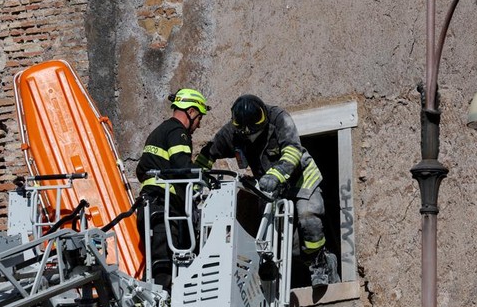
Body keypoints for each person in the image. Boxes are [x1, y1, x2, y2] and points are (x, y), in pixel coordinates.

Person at [194, 94, 340, 288]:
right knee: (287, 241)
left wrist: (276, 174)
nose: (250, 136)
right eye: (245, 133)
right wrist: (197, 180)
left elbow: (293, 151)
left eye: (254, 131)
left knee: (308, 217)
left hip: (301, 178)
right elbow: (208, 153)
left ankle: (320, 264)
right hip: (271, 190)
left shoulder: (279, 118)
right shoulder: (232, 132)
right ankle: (310, 262)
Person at [136, 88, 210, 289]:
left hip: (149, 206)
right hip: (164, 208)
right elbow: (183, 166)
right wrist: (208, 178)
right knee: (166, 265)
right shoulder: (178, 133)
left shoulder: (159, 132)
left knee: (155, 263)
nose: (199, 124)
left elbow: (140, 169)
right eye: (199, 117)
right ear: (192, 111)